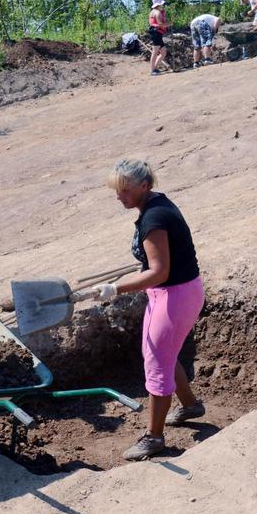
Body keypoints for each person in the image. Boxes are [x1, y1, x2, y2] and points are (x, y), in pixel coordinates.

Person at [93, 159, 206, 461]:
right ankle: (191, 406)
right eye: (117, 191)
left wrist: (115, 289)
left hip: (175, 296)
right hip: (169, 294)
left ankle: (154, 438)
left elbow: (159, 271)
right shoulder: (154, 206)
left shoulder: (155, 218)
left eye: (124, 190)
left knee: (157, 365)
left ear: (144, 186)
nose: (119, 196)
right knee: (160, 355)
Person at [147, 0, 170, 76]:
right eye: (162, 4)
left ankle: (155, 68)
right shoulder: (157, 12)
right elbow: (160, 24)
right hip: (156, 32)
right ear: (158, 5)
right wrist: (169, 24)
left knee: (163, 52)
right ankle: (153, 69)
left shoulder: (153, 11)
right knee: (155, 51)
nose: (163, 6)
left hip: (156, 33)